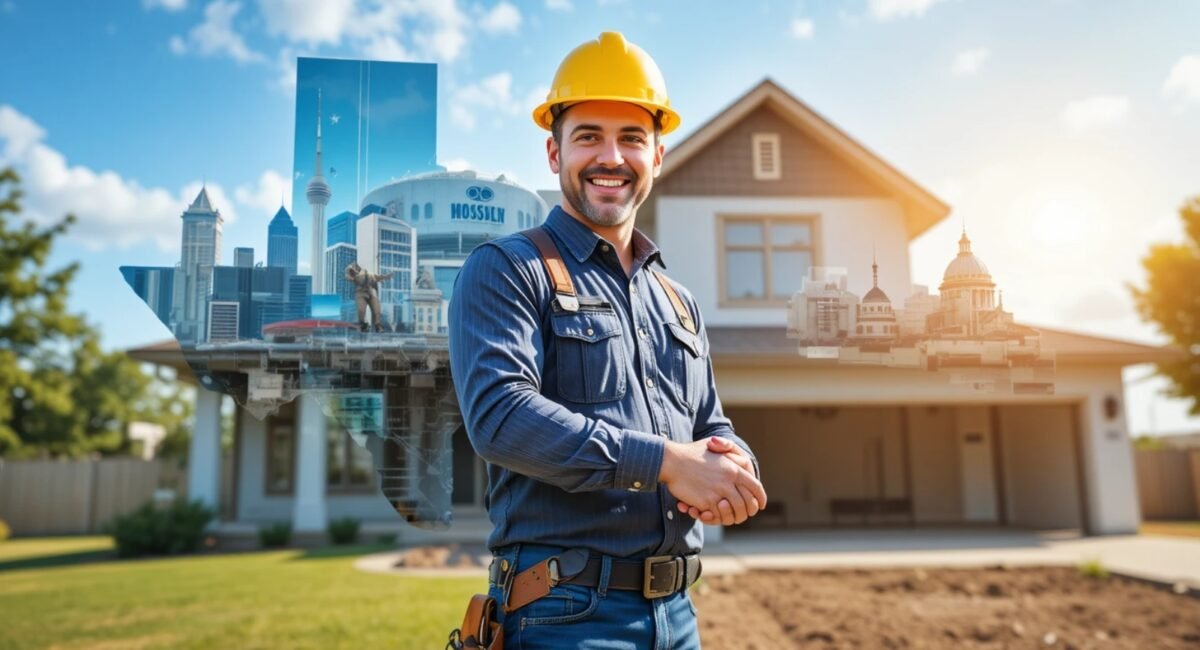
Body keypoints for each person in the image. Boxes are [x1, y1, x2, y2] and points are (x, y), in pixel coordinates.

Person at [448, 32, 767, 649]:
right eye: (588, 136)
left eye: (631, 139)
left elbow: (710, 422)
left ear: (658, 154)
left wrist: (735, 465)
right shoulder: (510, 268)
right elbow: (500, 417)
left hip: (677, 615)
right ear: (553, 152)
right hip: (563, 613)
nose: (611, 157)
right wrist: (669, 463)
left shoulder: (678, 300)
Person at [344, 262, 392, 332]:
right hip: (360, 292)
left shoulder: (369, 273)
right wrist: (350, 271)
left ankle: (378, 325)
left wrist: (385, 277)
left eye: (357, 266)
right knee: (361, 310)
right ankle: (363, 325)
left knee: (377, 310)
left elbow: (377, 277)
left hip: (371, 292)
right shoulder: (352, 272)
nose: (356, 267)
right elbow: (347, 277)